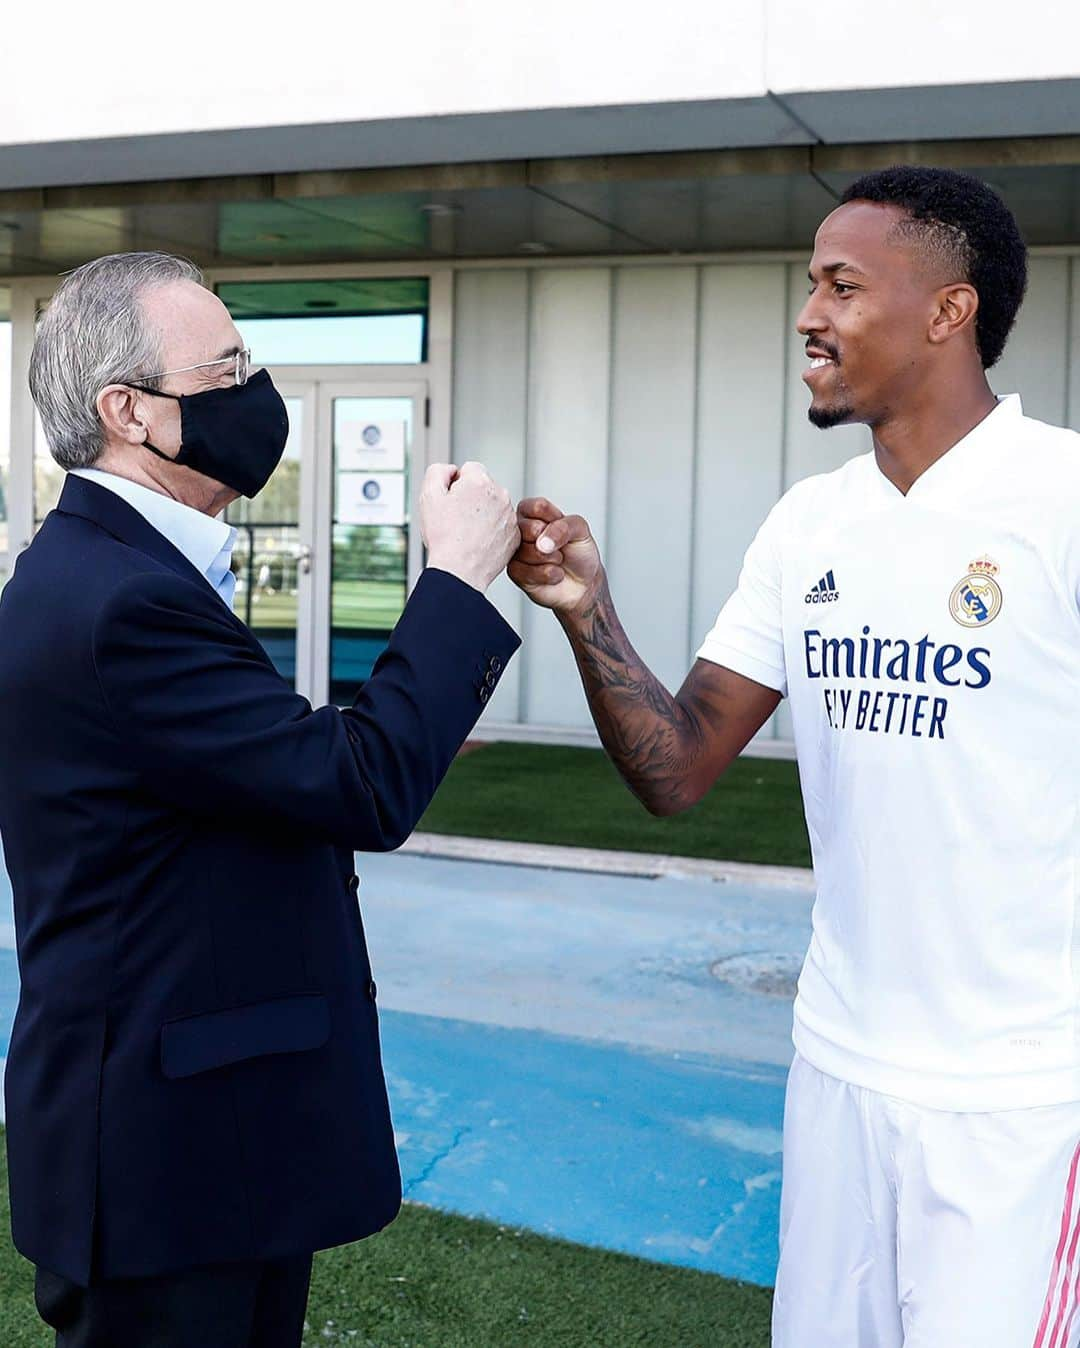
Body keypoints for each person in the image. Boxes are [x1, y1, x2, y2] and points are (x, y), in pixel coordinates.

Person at [509, 166, 1080, 1346]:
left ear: (948, 311)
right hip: (837, 1067)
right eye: (808, 284)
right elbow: (677, 770)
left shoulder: (1062, 502)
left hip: (1022, 1099)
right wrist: (583, 607)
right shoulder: (809, 524)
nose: (809, 314)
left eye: (843, 284)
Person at [0, 252, 521, 1348]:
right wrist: (457, 577)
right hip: (167, 1159)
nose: (255, 388)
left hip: (201, 1144)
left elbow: (280, 769)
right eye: (226, 364)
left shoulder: (120, 571)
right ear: (127, 411)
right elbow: (358, 785)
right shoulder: (121, 598)